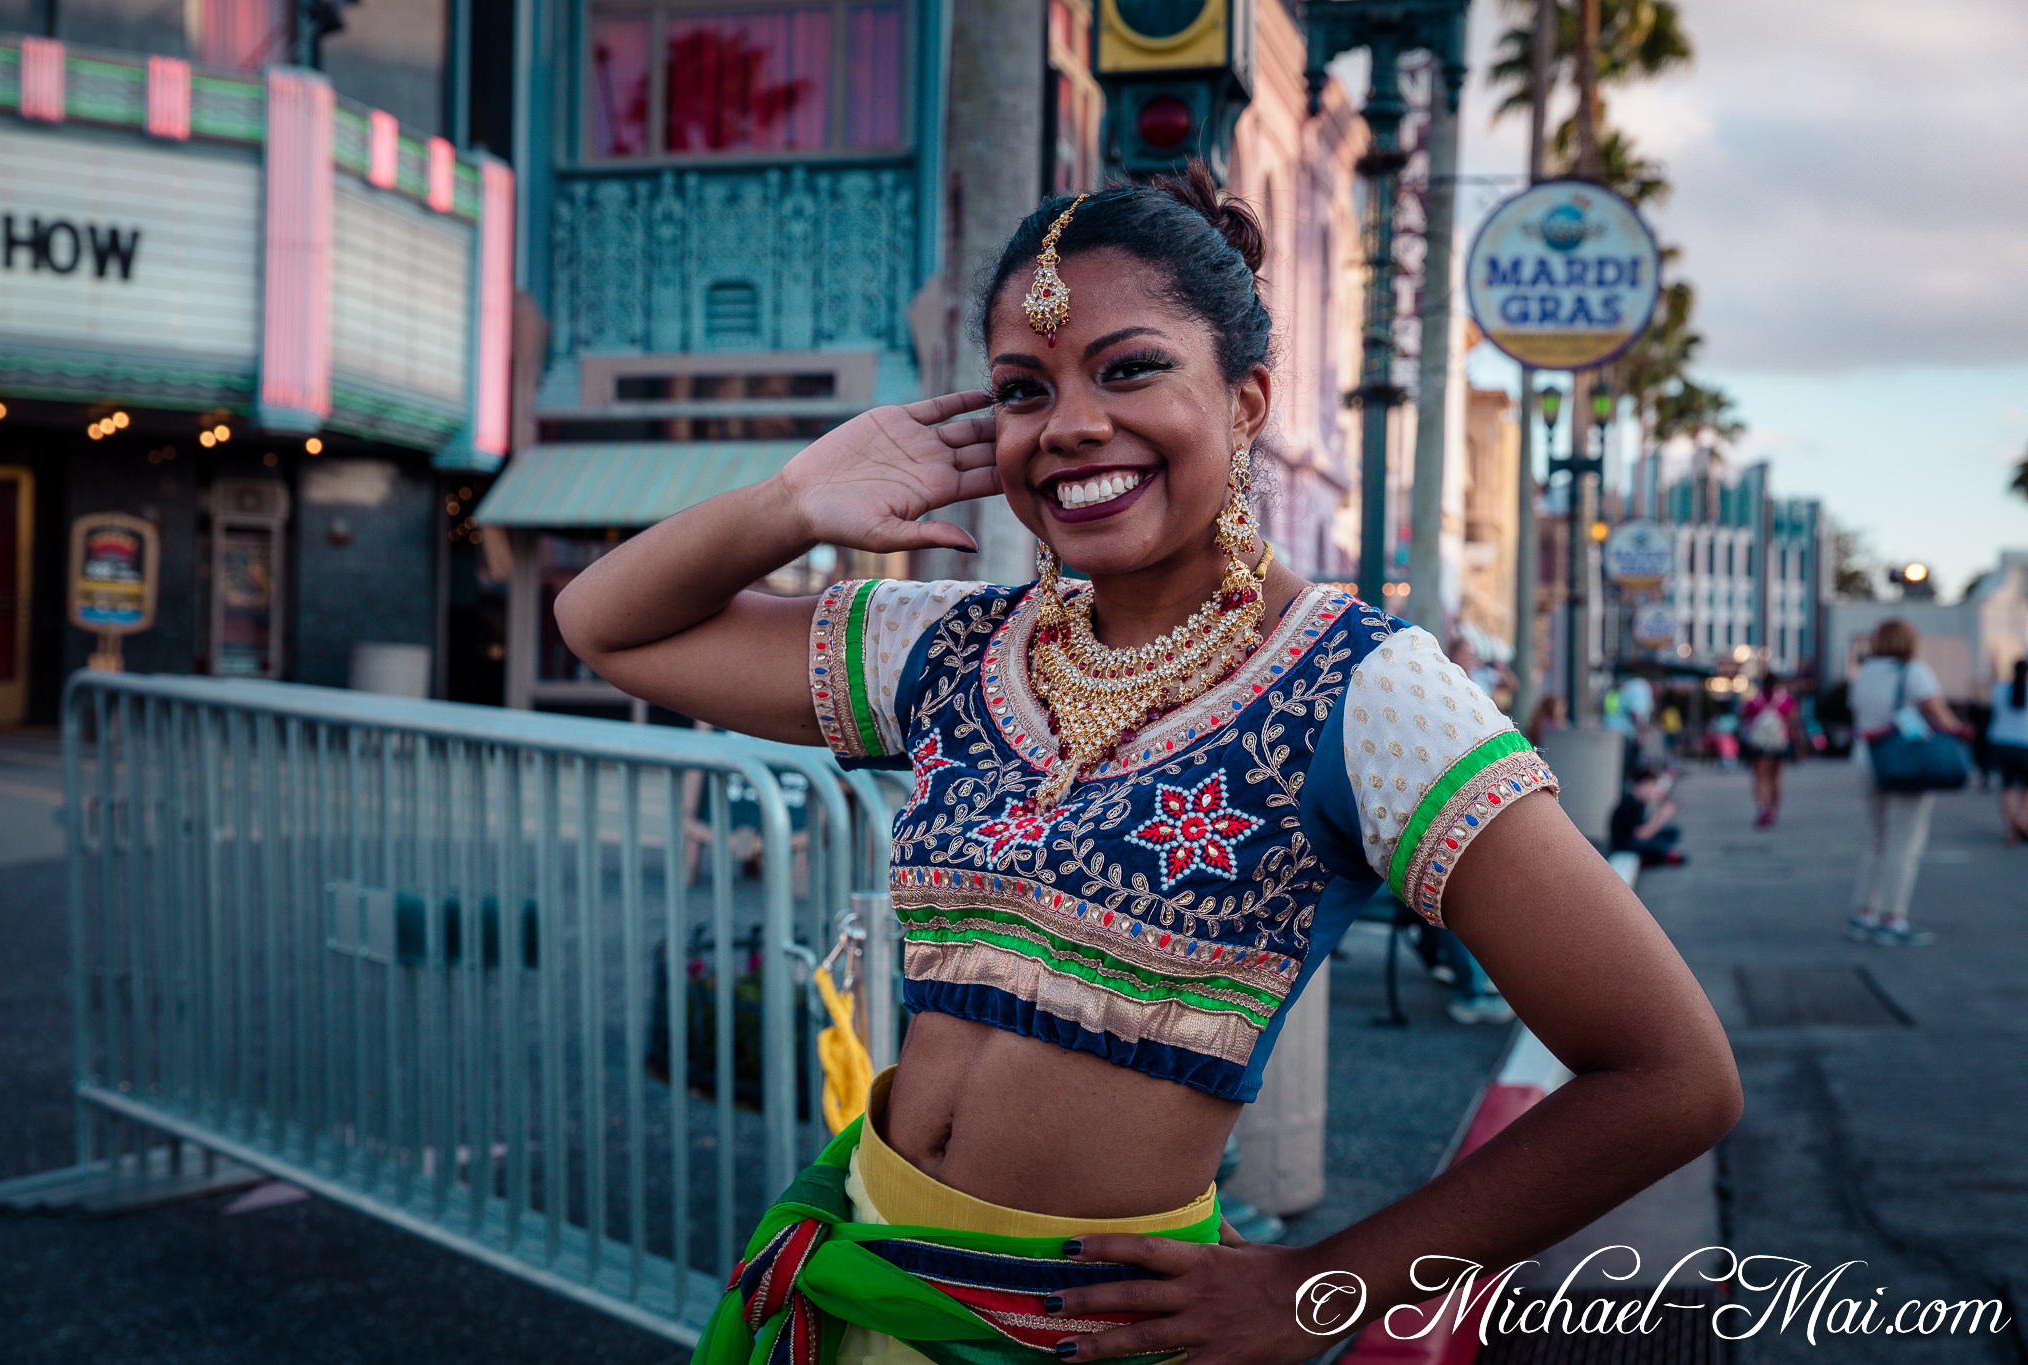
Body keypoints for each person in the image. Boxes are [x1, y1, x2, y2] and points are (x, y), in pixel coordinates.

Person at [553, 164, 1740, 1365]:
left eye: (1129, 370)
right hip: (861, 1275)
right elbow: (608, 626)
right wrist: (797, 500)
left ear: (1245, 399)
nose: (1068, 424)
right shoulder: (954, 647)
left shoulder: (1361, 689)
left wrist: (1319, 1290)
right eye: (1024, 391)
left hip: (1091, 1337)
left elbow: (1669, 1077)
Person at [1846, 618, 1973, 945]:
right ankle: (1893, 918)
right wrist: (1961, 731)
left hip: (1866, 757)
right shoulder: (1913, 671)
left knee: (1875, 838)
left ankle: (1864, 913)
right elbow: (1937, 712)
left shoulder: (1864, 673)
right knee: (1904, 840)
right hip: (1903, 759)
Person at [1739, 673, 1800, 829]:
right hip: (1780, 743)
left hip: (1759, 744)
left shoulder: (1754, 699)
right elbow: (1793, 722)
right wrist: (1798, 745)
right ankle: (1773, 810)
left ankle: (1763, 808)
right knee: (1776, 777)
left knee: (1760, 777)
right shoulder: (1785, 699)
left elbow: (1743, 717)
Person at [1610, 768, 1685, 867]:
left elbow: (1647, 828)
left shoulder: (1640, 802)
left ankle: (1663, 853)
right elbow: (1641, 835)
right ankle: (1664, 854)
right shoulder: (1630, 803)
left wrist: (1658, 805)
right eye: (1652, 785)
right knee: (1657, 847)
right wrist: (1662, 816)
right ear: (1643, 784)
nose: (1654, 789)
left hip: (1637, 839)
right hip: (1625, 844)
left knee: (1673, 831)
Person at [1988, 659, 2028, 843]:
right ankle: (2023, 820)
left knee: (2008, 786)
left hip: (2001, 742)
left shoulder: (1999, 688)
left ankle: (2012, 830)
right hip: (2024, 743)